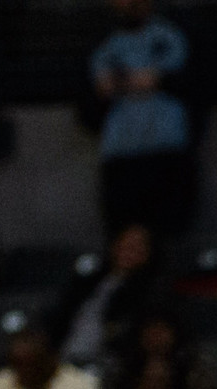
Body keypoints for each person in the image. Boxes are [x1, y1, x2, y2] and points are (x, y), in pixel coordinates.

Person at [85, 0, 196, 235]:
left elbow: (197, 83)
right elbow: (90, 109)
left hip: (166, 153)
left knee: (169, 233)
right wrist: (106, 91)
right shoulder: (105, 47)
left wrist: (158, 80)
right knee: (124, 234)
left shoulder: (172, 36)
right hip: (121, 157)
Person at [54, 222, 168, 368]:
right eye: (125, 243)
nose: (129, 250)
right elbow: (61, 316)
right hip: (66, 358)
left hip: (109, 364)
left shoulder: (150, 293)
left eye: (137, 246)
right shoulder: (89, 281)